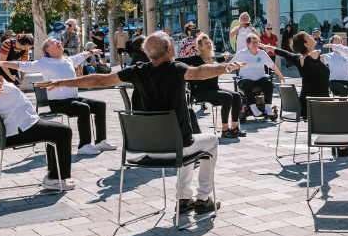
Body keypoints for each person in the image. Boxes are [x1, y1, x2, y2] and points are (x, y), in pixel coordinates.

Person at [35, 32, 245, 214]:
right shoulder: (175, 68)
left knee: (189, 144)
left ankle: (183, 199)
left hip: (148, 148)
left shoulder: (137, 70)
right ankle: (203, 199)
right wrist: (225, 67)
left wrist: (61, 82)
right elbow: (198, 73)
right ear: (170, 48)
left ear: (147, 53)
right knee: (210, 143)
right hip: (176, 146)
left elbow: (100, 80)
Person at [0, 44, 75, 191]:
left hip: (13, 130)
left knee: (56, 131)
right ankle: (55, 180)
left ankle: (54, 177)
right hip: (20, 130)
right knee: (63, 132)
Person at [1, 38, 116, 155]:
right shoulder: (44, 62)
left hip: (74, 99)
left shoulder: (68, 60)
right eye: (53, 42)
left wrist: (91, 52)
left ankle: (101, 141)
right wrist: (1, 63)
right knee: (83, 108)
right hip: (58, 102)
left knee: (100, 105)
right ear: (47, 49)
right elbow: (23, 65)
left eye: (58, 41)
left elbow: (81, 56)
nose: (58, 42)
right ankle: (84, 146)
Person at [177, 34, 245, 138]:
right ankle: (225, 130)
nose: (208, 44)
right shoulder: (196, 59)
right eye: (205, 43)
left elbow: (222, 58)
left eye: (209, 42)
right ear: (199, 46)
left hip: (214, 89)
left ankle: (235, 128)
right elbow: (178, 60)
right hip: (201, 92)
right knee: (227, 97)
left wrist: (230, 60)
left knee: (236, 95)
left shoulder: (214, 59)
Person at [264, 31, 329, 118]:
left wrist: (268, 47)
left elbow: (284, 53)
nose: (311, 36)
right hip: (318, 105)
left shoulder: (298, 58)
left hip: (306, 103)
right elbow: (312, 63)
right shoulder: (309, 59)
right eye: (309, 37)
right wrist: (315, 57)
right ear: (306, 44)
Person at [233, 34, 285, 120]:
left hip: (260, 77)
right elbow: (232, 63)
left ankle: (268, 108)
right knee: (246, 84)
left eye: (257, 42)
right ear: (248, 44)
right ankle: (254, 109)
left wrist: (280, 74)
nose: (256, 44)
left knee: (268, 82)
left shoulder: (262, 53)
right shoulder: (242, 53)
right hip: (246, 78)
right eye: (253, 42)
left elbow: (272, 65)